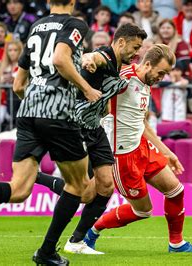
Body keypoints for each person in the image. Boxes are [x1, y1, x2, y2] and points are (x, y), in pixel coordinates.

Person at [0, 1, 101, 266]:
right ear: (72, 1)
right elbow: (59, 59)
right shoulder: (75, 24)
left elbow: (17, 84)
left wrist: (35, 105)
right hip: (58, 114)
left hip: (28, 113)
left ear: (48, 2)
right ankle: (47, 252)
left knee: (19, 189)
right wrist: (87, 89)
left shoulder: (36, 27)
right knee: (83, 189)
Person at [83, 44, 192, 253]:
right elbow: (98, 63)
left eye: (166, 73)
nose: (162, 77)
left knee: (176, 191)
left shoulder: (146, 83)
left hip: (142, 148)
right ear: (147, 64)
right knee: (143, 211)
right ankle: (90, 232)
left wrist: (166, 153)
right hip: (121, 156)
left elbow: (143, 123)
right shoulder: (123, 77)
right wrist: (88, 58)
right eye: (161, 72)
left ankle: (176, 244)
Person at [36, 23, 147, 255]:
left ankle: (76, 242)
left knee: (106, 186)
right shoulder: (105, 56)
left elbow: (105, 88)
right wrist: (87, 61)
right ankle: (37, 178)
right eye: (135, 47)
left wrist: (104, 107)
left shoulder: (118, 67)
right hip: (77, 126)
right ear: (120, 42)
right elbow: (92, 58)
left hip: (94, 127)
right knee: (85, 193)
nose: (136, 53)